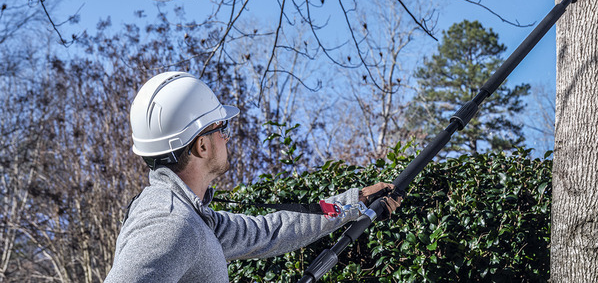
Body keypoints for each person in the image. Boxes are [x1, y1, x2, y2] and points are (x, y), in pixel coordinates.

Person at [105, 71, 401, 282]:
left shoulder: (194, 219)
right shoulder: (170, 224)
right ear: (202, 145)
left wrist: (354, 201)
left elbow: (272, 230)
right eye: (221, 128)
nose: (227, 137)